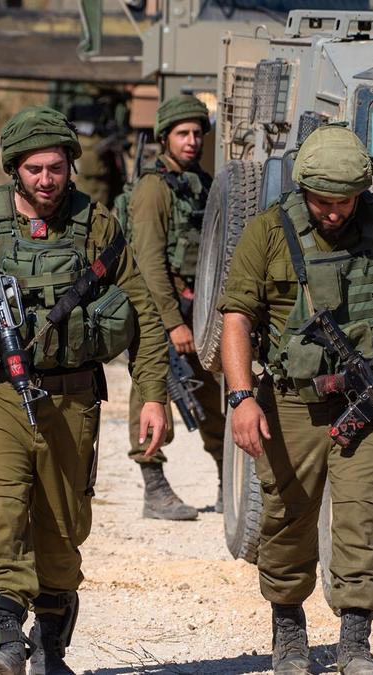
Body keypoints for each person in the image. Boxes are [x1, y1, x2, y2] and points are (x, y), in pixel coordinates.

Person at [0, 106, 169, 675]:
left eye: (56, 168)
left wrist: (152, 394)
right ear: (14, 171)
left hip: (71, 400)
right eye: (34, 170)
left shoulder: (97, 225)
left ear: (71, 167)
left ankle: (50, 648)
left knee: (60, 532)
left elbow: (144, 314)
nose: (47, 181)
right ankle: (4, 644)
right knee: (2, 514)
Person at [216, 123, 373, 675]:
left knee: (364, 517)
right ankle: (289, 637)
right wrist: (240, 398)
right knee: (286, 517)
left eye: (346, 201)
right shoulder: (268, 233)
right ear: (304, 189)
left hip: (368, 406)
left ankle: (355, 644)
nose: (334, 212)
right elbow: (236, 317)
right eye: (323, 201)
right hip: (291, 404)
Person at [125, 95, 226, 521]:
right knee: (153, 393)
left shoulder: (202, 182)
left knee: (209, 393)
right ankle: (154, 488)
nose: (191, 141)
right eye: (182, 133)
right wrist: (170, 324)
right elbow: (148, 262)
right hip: (159, 311)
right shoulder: (153, 189)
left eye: (198, 133)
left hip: (197, 309)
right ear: (164, 137)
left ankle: (228, 477)